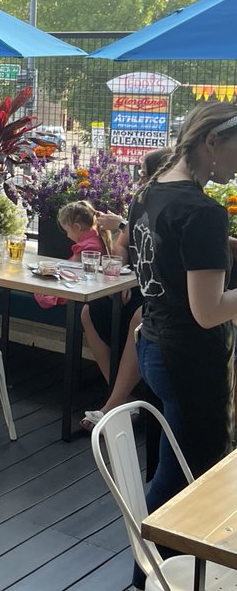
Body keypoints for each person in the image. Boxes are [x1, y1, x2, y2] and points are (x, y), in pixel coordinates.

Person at [129, 102, 237, 544]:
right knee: (190, 482)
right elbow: (208, 311)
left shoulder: (150, 190)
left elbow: (161, 253)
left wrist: (220, 246)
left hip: (153, 347)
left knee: (171, 466)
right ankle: (150, 569)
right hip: (191, 360)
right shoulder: (204, 211)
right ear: (212, 141)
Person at [81, 147, 173, 430]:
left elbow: (164, 248)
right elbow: (122, 245)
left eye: (143, 175)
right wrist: (119, 274)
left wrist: (121, 223)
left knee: (138, 318)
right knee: (89, 310)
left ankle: (113, 403)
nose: (139, 181)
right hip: (136, 282)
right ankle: (123, 396)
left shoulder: (175, 205)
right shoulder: (141, 200)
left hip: (164, 291)